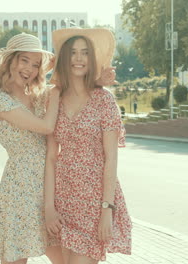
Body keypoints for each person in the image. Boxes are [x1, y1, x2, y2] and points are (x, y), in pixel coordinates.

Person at [44, 28, 132, 264]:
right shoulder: (54, 100)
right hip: (63, 199)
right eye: (73, 53)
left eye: (85, 53)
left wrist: (107, 210)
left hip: (94, 201)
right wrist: (49, 208)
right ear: (65, 58)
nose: (79, 58)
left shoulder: (104, 100)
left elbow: (111, 158)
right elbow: (51, 157)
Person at [0, 33, 63, 264]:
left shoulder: (37, 97)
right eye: (24, 60)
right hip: (21, 187)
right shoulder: (2, 101)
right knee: (17, 258)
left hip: (49, 183)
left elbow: (70, 87)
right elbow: (47, 127)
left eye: (36, 64)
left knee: (63, 258)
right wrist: (55, 90)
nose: (29, 68)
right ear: (11, 62)